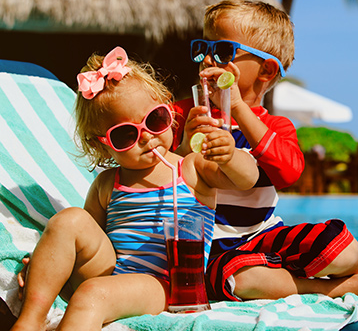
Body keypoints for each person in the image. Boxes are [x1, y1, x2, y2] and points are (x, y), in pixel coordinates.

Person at [172, 0, 358, 302]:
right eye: (204, 48)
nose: (208, 61)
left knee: (347, 252)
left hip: (262, 235)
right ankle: (334, 288)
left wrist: (236, 107)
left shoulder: (276, 127)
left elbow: (289, 173)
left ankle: (320, 274)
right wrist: (183, 146)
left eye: (222, 52)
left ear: (266, 69)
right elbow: (152, 170)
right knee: (242, 279)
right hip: (210, 247)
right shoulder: (182, 116)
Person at [11, 46, 259, 331]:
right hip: (110, 272)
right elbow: (85, 241)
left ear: (168, 109)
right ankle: (30, 319)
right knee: (70, 220)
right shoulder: (108, 183)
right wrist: (49, 265)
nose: (147, 137)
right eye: (125, 134)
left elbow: (247, 179)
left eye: (155, 120)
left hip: (164, 285)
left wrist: (230, 155)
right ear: (101, 145)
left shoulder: (191, 168)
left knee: (93, 295)